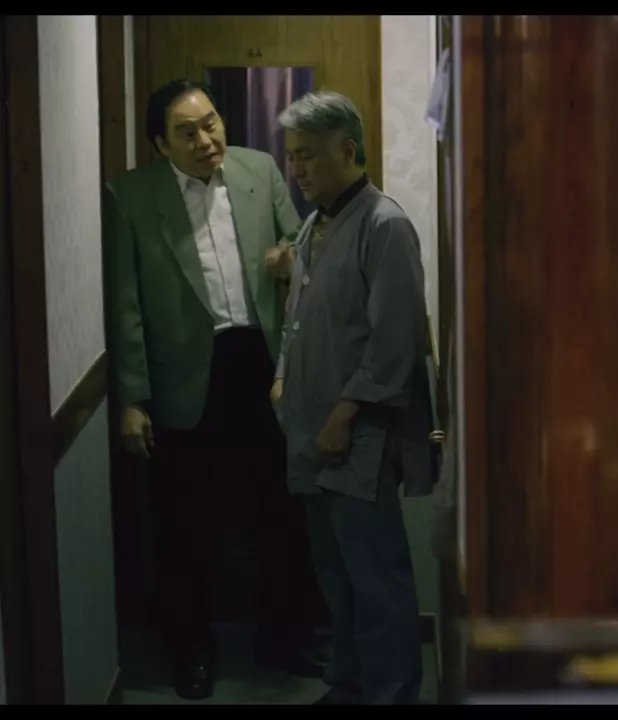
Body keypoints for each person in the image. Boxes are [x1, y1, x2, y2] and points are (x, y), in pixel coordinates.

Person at [103, 78, 324, 700]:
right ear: (160, 144)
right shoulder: (130, 196)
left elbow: (301, 242)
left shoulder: (258, 168)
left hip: (262, 362)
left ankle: (284, 639)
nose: (206, 140)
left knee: (281, 509)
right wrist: (132, 398)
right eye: (187, 133)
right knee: (184, 523)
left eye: (212, 124)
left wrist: (290, 259)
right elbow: (126, 304)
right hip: (183, 375)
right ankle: (191, 649)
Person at [273, 91, 435, 705]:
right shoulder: (315, 221)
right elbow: (297, 317)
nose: (297, 169)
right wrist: (281, 375)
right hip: (308, 427)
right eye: (292, 156)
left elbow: (394, 342)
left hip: (357, 432)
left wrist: (344, 416)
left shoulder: (383, 225)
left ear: (347, 151)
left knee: (376, 578)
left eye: (308, 156)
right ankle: (348, 684)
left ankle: (391, 694)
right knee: (335, 576)